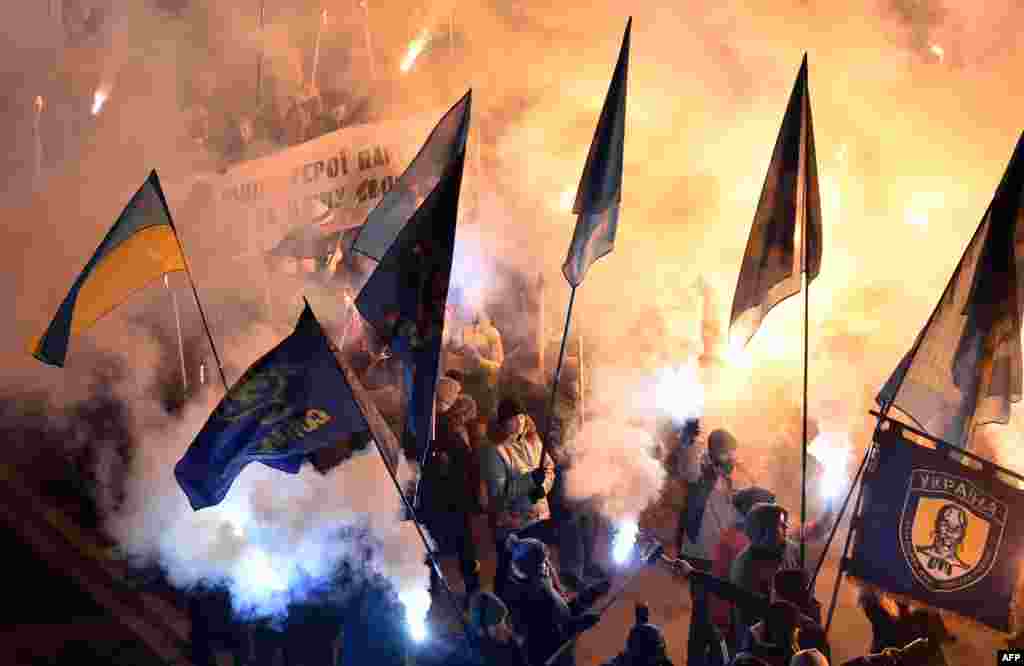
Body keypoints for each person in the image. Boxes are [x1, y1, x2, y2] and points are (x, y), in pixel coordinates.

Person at [675, 424, 747, 666]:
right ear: (716, 451)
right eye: (729, 453)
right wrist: (687, 438)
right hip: (699, 555)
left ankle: (714, 659)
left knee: (719, 614)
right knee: (702, 614)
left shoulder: (733, 478)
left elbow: (738, 513)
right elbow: (686, 464)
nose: (733, 458)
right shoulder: (699, 469)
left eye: (733, 453)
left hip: (723, 556)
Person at [480, 398, 555, 600]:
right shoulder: (495, 450)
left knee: (537, 566)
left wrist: (542, 488)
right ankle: (499, 612)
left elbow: (549, 468)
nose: (519, 422)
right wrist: (530, 480)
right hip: (513, 523)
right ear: (503, 422)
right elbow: (499, 491)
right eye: (514, 419)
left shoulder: (533, 441)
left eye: (521, 417)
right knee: (507, 569)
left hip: (538, 515)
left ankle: (534, 606)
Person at [501, 534, 607, 666]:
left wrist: (591, 594)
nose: (547, 566)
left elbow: (561, 611)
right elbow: (549, 637)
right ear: (531, 569)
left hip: (559, 650)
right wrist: (579, 624)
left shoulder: (535, 581)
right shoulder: (524, 598)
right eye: (543, 563)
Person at [548, 362, 607, 590]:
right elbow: (554, 443)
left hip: (589, 465)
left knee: (591, 518)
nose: (576, 385)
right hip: (569, 467)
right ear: (564, 382)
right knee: (571, 521)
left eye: (578, 380)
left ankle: (589, 562)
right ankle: (573, 570)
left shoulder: (586, 404)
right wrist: (566, 455)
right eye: (572, 380)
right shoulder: (556, 407)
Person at [422, 386, 483, 600]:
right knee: (461, 548)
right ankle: (471, 592)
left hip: (445, 499)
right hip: (450, 499)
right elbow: (465, 465)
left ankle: (431, 591)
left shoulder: (437, 426)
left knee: (435, 547)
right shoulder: (445, 430)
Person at [730, 503, 804, 646]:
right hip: (761, 643)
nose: (786, 528)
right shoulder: (745, 564)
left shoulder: (792, 551)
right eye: (781, 525)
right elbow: (748, 614)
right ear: (764, 530)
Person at [455, 306, 505, 420]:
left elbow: (498, 366)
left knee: (479, 423)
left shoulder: (493, 333)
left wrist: (479, 360)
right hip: (465, 383)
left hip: (484, 386)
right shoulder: (465, 329)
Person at [468, 591, 531, 666]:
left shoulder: (513, 644)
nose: (507, 630)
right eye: (498, 624)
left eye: (505, 621)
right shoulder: (484, 656)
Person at [600, 604, 674, 666]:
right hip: (652, 660)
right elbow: (662, 650)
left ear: (637, 616)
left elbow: (630, 649)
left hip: (637, 660)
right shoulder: (655, 629)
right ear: (647, 615)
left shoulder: (635, 630)